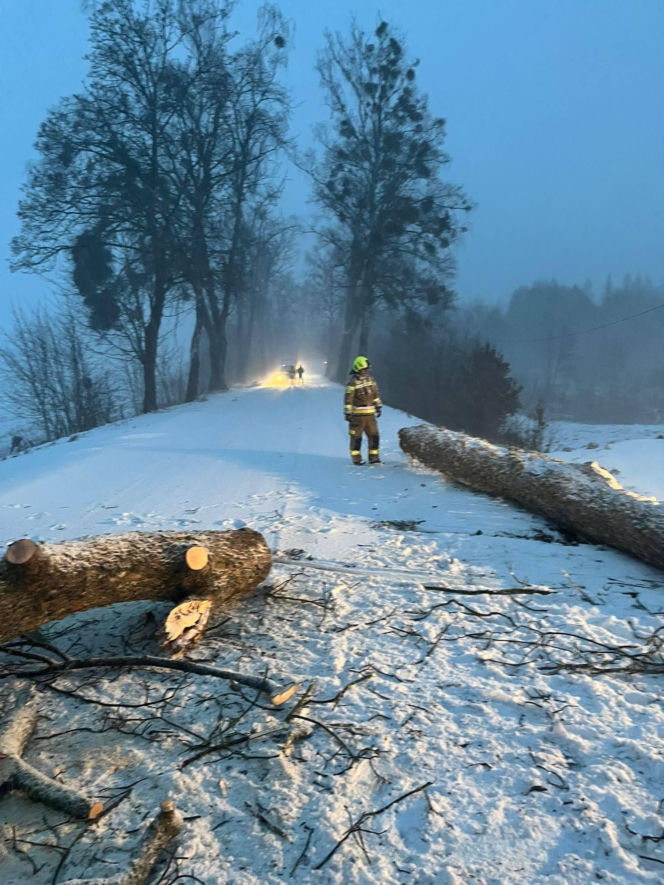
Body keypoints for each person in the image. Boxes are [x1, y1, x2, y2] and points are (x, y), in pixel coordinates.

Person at [344, 355, 382, 465]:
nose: (365, 371)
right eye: (363, 369)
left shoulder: (371, 380)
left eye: (366, 369)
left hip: (370, 416)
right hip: (357, 416)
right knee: (356, 438)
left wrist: (378, 406)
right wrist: (348, 413)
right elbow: (348, 399)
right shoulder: (353, 383)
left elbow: (375, 394)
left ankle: (374, 458)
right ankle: (356, 459)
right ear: (358, 368)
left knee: (374, 437)